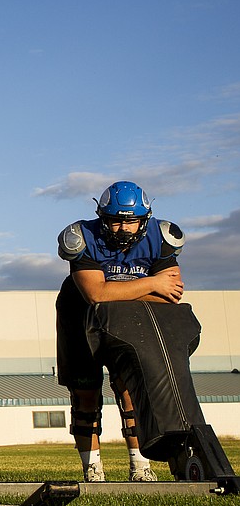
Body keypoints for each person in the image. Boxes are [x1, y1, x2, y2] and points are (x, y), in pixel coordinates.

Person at [56, 180, 184, 482]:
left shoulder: (161, 237)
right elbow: (95, 294)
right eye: (116, 220)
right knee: (85, 395)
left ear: (144, 219)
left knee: (130, 392)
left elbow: (172, 294)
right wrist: (152, 283)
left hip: (129, 322)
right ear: (103, 217)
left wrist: (120, 291)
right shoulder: (82, 236)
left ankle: (140, 465)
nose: (123, 228)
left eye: (131, 220)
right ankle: (93, 469)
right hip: (80, 320)